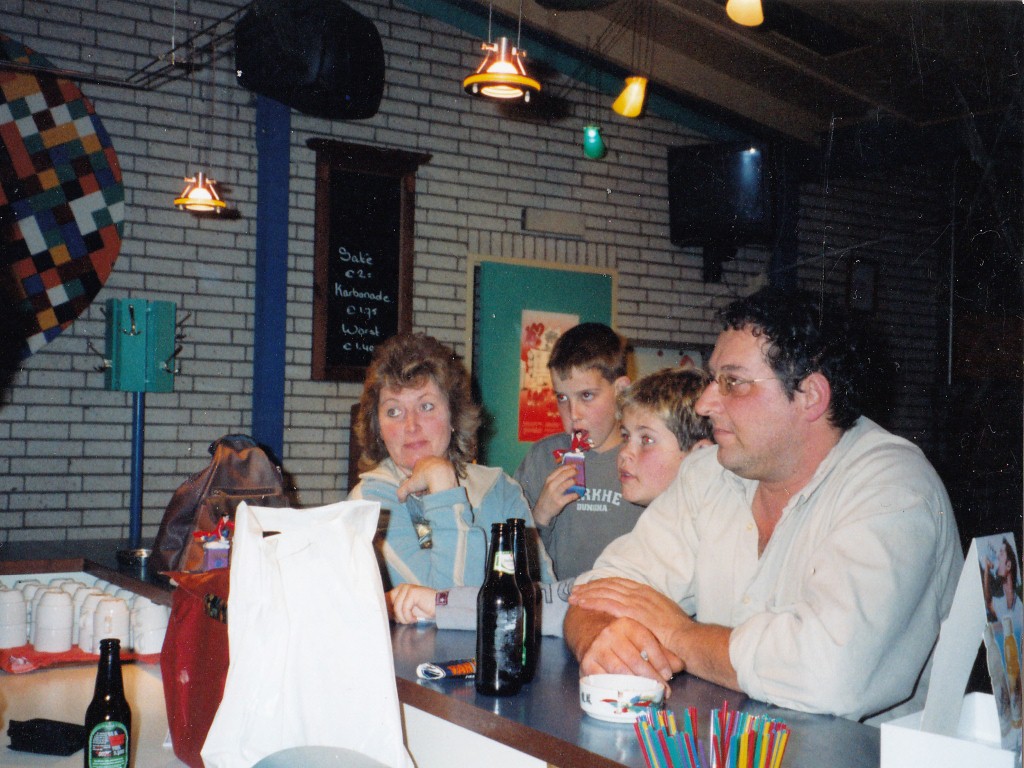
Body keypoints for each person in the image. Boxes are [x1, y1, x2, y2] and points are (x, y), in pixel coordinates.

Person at [565, 287, 963, 724]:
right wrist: (599, 640)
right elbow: (597, 592)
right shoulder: (707, 474)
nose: (704, 403)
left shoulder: (894, 488)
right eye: (713, 379)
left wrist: (678, 634)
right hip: (731, 744)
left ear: (810, 396)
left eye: (733, 382)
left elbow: (830, 673)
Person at [388, 367, 714, 634]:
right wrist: (442, 603)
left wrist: (443, 604)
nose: (625, 453)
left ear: (700, 457)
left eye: (647, 440)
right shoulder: (656, 532)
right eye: (627, 437)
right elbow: (569, 598)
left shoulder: (708, 535)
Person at [348, 333, 554, 608]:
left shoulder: (500, 489)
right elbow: (446, 606)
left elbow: (546, 597)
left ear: (454, 415)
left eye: (426, 406)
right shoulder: (370, 503)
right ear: (378, 428)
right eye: (394, 411)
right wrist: (443, 485)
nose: (411, 425)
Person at [514, 322, 643, 580]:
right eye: (562, 398)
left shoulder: (644, 459)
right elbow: (511, 560)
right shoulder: (542, 458)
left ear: (620, 391)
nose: (573, 414)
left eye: (586, 396)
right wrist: (540, 515)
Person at [984, 537, 1022, 637]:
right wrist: (987, 569)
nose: (997, 557)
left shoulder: (1020, 605)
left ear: (1008, 565)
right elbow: (989, 603)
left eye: (1001, 553)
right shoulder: (1002, 601)